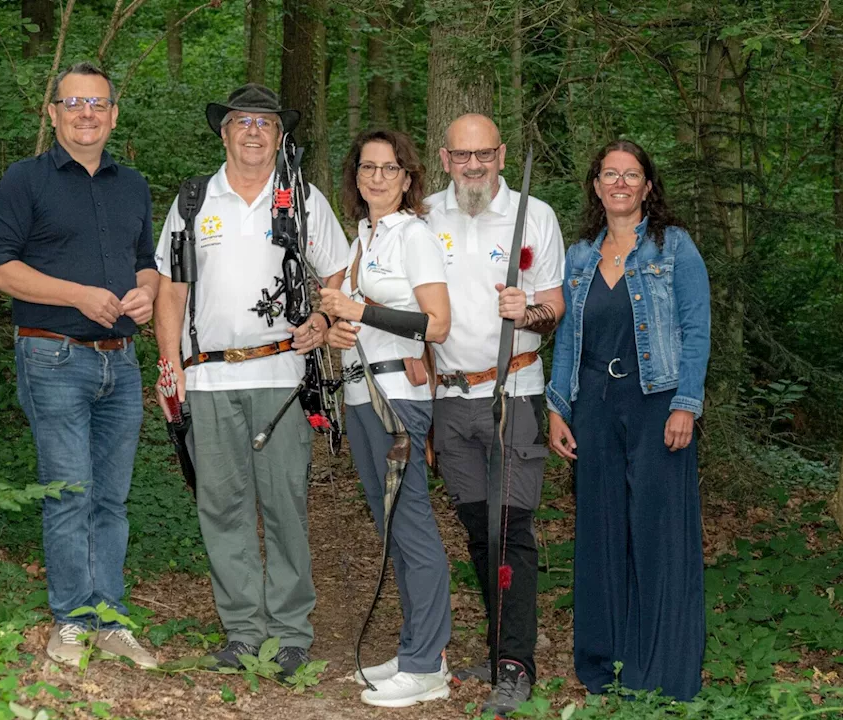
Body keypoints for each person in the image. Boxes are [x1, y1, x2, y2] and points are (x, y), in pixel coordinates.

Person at [152, 84, 350, 678]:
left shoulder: (303, 201)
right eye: (242, 122)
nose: (254, 132)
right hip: (207, 376)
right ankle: (242, 631)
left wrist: (321, 316)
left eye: (265, 122)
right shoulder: (193, 201)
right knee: (221, 505)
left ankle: (291, 633)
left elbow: (338, 270)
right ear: (225, 132)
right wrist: (170, 367)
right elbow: (171, 291)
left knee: (283, 502)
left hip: (282, 373)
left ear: (279, 134)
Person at [0, 61, 158, 669]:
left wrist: (147, 293)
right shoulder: (25, 181)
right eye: (74, 102)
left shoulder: (132, 184)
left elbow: (146, 262)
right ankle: (71, 622)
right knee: (69, 495)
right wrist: (77, 294)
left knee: (111, 499)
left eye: (99, 104)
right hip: (51, 356)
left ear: (113, 115)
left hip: (122, 362)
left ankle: (108, 618)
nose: (87, 113)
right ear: (52, 112)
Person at [547, 139, 710, 700]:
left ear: (647, 186)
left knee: (657, 535)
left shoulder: (674, 248)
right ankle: (604, 665)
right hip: (592, 403)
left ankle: (661, 673)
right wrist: (556, 407)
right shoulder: (578, 257)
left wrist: (686, 403)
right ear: (595, 186)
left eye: (631, 174)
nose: (620, 183)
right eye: (610, 174)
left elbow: (696, 331)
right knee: (599, 533)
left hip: (655, 404)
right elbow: (567, 338)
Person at [421, 114, 566, 715]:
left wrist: (526, 307)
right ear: (445, 157)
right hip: (450, 401)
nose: (474, 166)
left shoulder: (537, 214)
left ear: (502, 155)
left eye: (484, 155)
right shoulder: (426, 214)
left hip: (515, 394)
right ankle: (498, 645)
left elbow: (555, 308)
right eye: (462, 156)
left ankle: (515, 665)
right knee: (480, 534)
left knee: (513, 533)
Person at [317, 130, 452, 708]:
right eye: (367, 168)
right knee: (390, 524)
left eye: (389, 168)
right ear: (356, 178)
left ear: (407, 177)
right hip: (358, 394)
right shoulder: (361, 238)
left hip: (397, 398)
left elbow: (437, 324)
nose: (377, 177)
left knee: (411, 523)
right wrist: (337, 326)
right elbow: (356, 321)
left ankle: (427, 665)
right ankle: (416, 648)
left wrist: (359, 309)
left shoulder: (413, 236)